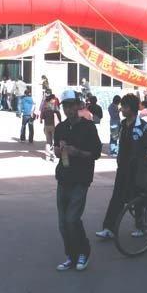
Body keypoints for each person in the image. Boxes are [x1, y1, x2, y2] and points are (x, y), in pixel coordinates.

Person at [54, 90, 102, 272]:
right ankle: (71, 256)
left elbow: (95, 153)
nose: (68, 109)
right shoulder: (61, 127)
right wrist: (58, 151)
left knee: (72, 219)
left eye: (71, 105)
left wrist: (78, 152)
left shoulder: (88, 127)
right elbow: (57, 150)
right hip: (63, 177)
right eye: (65, 106)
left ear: (78, 106)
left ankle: (83, 252)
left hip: (81, 179)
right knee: (62, 223)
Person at [96, 93, 147, 240]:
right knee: (117, 198)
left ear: (132, 109)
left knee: (138, 198)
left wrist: (139, 157)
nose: (121, 109)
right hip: (123, 167)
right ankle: (109, 228)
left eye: (125, 107)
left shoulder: (143, 127)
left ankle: (141, 227)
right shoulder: (123, 125)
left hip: (138, 169)